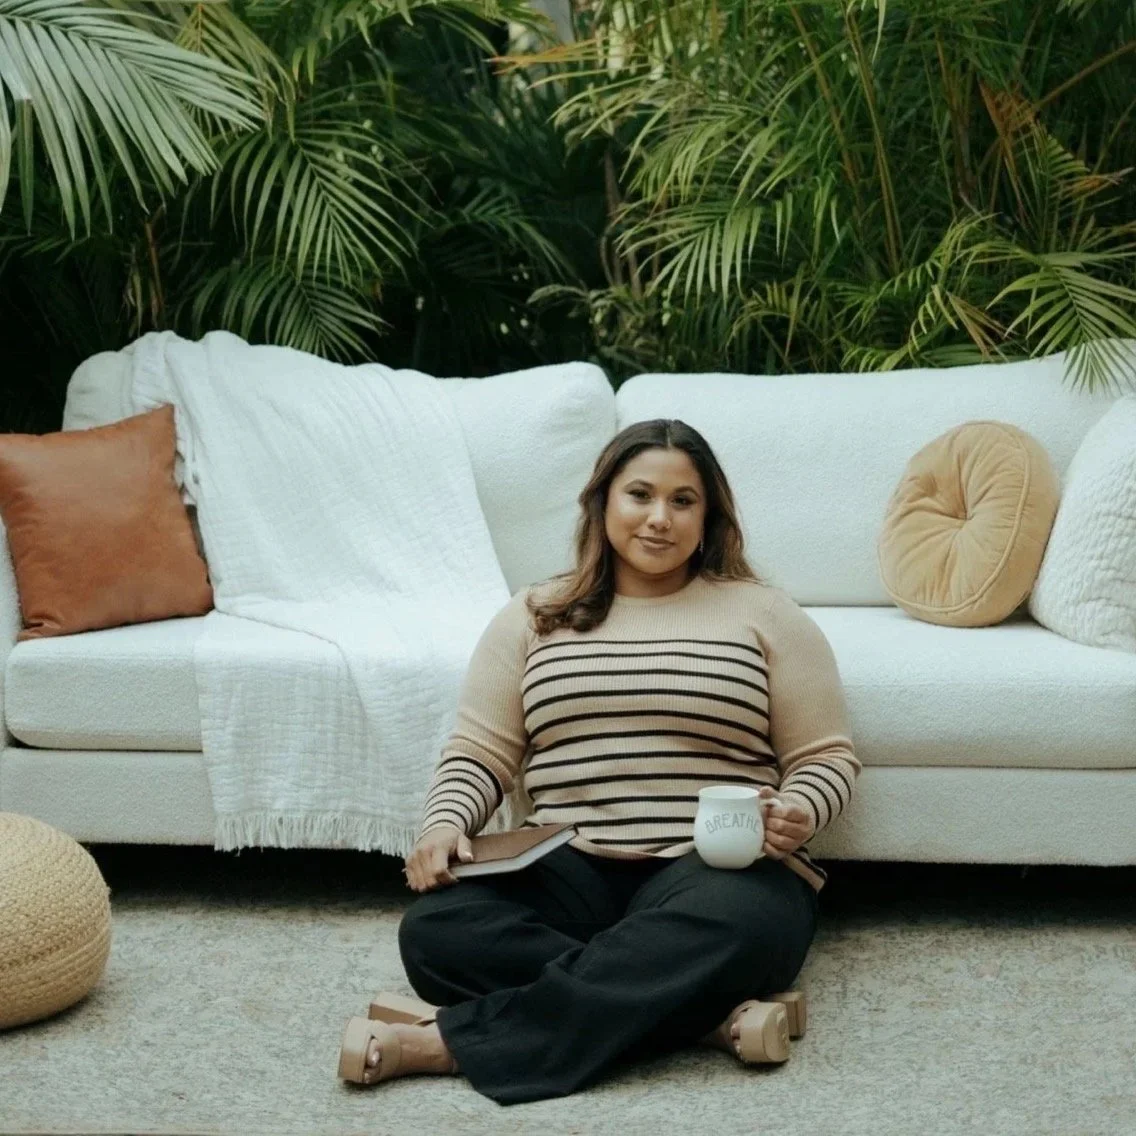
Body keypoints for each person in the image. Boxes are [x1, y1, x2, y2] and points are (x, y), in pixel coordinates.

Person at [337, 418, 860, 1104]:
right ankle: (701, 1016)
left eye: (683, 501)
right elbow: (480, 750)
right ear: (602, 503)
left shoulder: (764, 614)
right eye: (639, 494)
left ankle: (446, 1043)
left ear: (710, 517)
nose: (658, 518)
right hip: (565, 864)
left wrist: (799, 810)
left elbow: (824, 756)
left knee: (744, 927)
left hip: (715, 870)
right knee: (436, 933)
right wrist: (442, 825)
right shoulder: (534, 614)